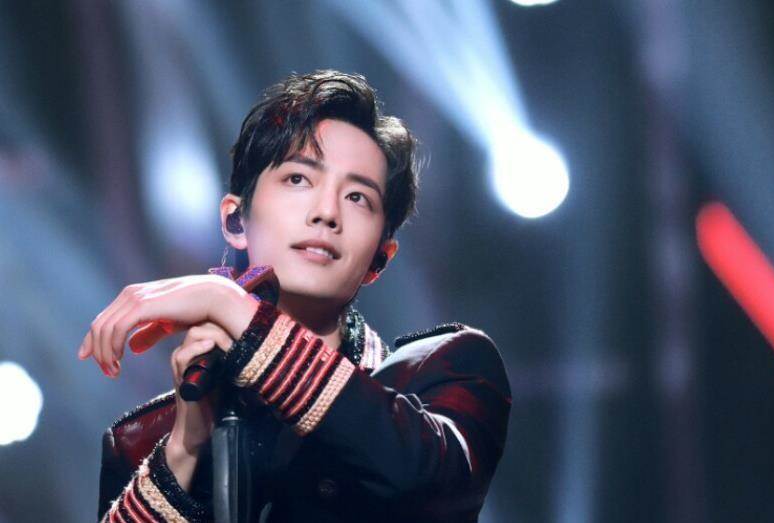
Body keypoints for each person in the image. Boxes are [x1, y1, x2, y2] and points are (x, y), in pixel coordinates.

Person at [79, 70, 512, 522]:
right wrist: (186, 449)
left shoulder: (445, 372)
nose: (326, 212)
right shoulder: (141, 440)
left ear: (379, 260)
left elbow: (428, 481)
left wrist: (229, 306)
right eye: (298, 179)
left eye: (358, 198)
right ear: (235, 220)